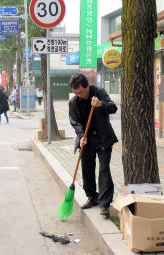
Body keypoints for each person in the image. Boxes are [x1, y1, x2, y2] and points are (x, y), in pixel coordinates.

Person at [68, 73, 118, 216]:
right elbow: (74, 121)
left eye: (81, 92)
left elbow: (113, 108)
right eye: (76, 93)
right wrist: (81, 135)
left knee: (104, 169)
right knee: (87, 169)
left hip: (103, 137)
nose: (79, 95)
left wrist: (100, 104)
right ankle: (92, 197)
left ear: (88, 86)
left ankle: (104, 204)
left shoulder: (99, 92)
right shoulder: (74, 102)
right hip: (86, 140)